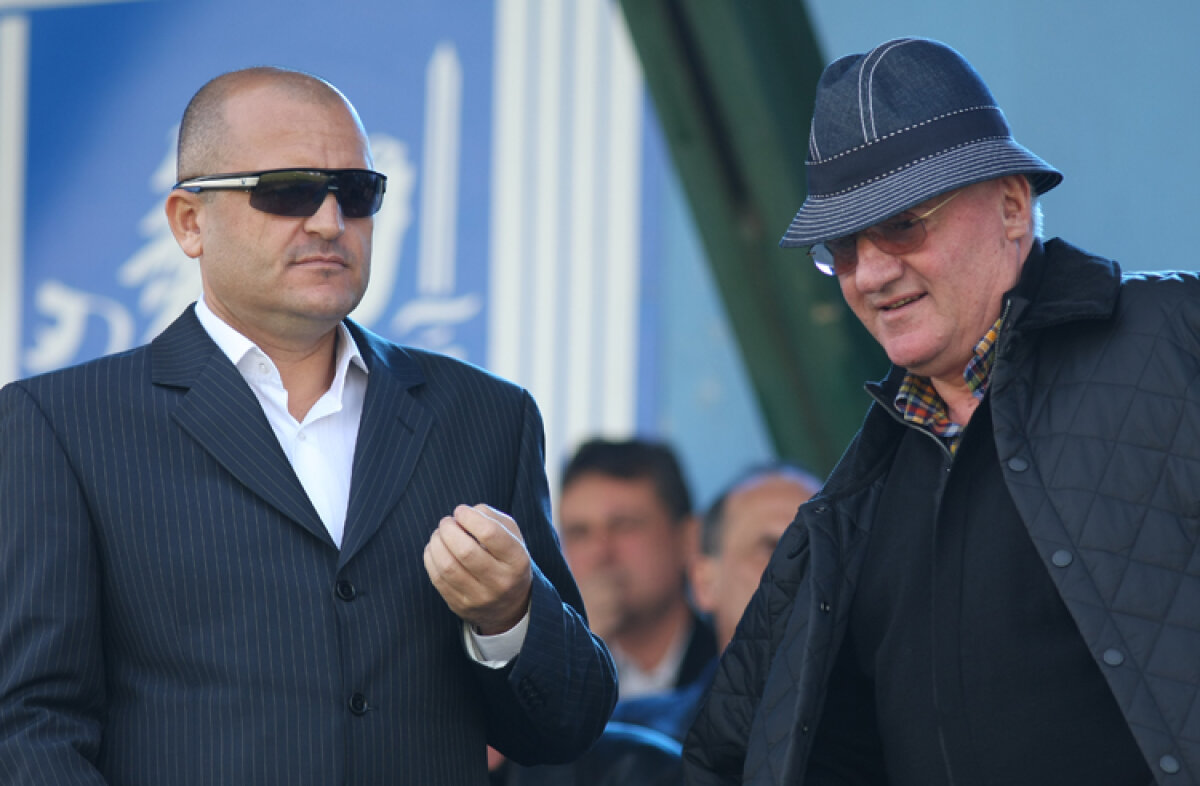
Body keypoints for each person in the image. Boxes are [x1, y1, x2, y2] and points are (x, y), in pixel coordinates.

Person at [0, 66, 616, 785]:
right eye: (287, 191)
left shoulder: (486, 417)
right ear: (189, 221)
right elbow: (28, 726)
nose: (329, 222)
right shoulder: (64, 425)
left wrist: (511, 615)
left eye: (356, 193)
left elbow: (567, 727)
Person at [685, 37, 1200, 785]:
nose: (872, 273)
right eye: (843, 247)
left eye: (902, 224)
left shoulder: (1176, 340)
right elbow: (727, 758)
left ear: (1013, 207)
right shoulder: (847, 509)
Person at [613, 463, 819, 741]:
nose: (803, 570)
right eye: (772, 549)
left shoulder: (877, 726)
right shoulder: (634, 740)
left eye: (820, 552)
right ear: (705, 583)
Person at [558, 438, 717, 698]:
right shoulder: (547, 675)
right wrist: (578, 657)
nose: (600, 553)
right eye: (579, 532)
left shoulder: (731, 665)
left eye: (624, 525)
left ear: (688, 539)